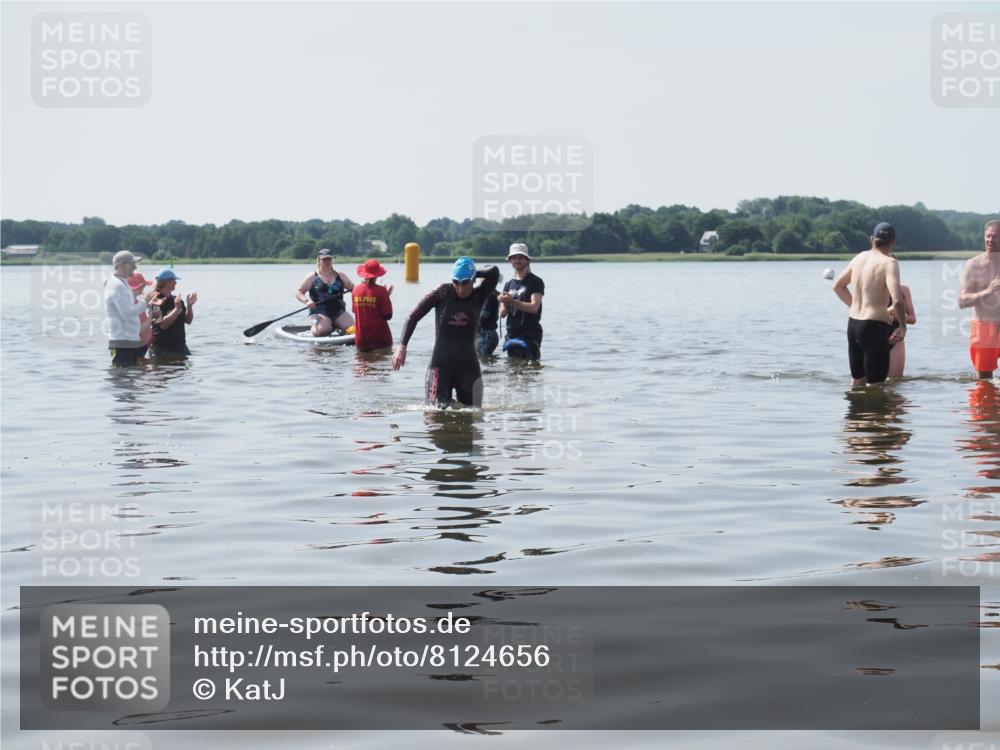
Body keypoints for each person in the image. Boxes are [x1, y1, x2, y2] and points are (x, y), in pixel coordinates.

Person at [392, 257, 500, 406]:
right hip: (440, 367)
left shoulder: (480, 295)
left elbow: (494, 271)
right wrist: (402, 346)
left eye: (465, 282)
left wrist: (475, 272)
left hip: (469, 368)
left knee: (473, 417)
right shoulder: (442, 292)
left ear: (473, 280)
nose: (460, 288)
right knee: (434, 416)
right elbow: (413, 316)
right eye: (456, 282)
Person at [832, 222, 906, 385]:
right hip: (874, 328)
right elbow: (898, 300)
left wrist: (854, 305)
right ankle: (873, 411)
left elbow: (837, 286)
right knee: (876, 387)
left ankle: (854, 410)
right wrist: (902, 326)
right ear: (893, 242)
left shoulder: (859, 257)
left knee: (857, 381)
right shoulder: (889, 263)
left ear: (872, 239)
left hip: (853, 325)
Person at [959, 220, 1000, 379]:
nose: (990, 240)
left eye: (995, 237)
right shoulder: (974, 265)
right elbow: (962, 301)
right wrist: (987, 291)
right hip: (983, 326)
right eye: (988, 236)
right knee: (984, 381)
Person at [104, 250, 150, 367]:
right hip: (122, 343)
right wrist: (145, 301)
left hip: (129, 341)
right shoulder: (116, 285)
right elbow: (127, 313)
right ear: (122, 265)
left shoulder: (122, 283)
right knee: (122, 381)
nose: (135, 267)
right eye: (132, 264)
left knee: (130, 381)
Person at [499, 242, 544, 359]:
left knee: (530, 373)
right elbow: (503, 314)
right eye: (513, 258)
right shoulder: (508, 284)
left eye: (520, 257)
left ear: (527, 260)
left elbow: (534, 308)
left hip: (530, 334)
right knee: (512, 373)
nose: (517, 260)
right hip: (512, 335)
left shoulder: (536, 281)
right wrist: (503, 301)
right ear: (510, 261)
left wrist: (512, 302)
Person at [296, 248, 355, 337]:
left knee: (355, 330)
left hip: (339, 312)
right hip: (319, 312)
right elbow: (298, 292)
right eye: (324, 259)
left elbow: (354, 289)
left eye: (329, 259)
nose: (327, 261)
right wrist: (307, 301)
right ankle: (326, 327)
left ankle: (335, 326)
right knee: (319, 332)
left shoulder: (340, 275)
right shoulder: (312, 277)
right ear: (319, 260)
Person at [150, 269, 196, 358]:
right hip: (162, 348)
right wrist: (176, 309)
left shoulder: (177, 300)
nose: (176, 283)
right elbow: (163, 325)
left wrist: (189, 306)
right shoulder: (155, 301)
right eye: (174, 280)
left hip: (180, 347)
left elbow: (188, 320)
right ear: (167, 282)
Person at [351, 258, 394, 352]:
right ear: (377, 275)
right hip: (381, 340)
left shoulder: (355, 289)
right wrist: (387, 296)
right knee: (381, 365)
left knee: (362, 366)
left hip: (361, 341)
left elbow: (355, 311)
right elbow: (388, 315)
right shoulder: (381, 291)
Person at [887, 280, 916, 379]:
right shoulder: (872, 288)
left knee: (896, 380)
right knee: (870, 379)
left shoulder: (903, 290)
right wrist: (885, 314)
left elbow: (912, 318)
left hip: (896, 336)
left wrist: (896, 317)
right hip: (875, 334)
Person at [127, 271, 155, 351]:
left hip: (143, 345)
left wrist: (148, 305)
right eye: (143, 286)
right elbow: (138, 330)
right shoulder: (130, 305)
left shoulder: (135, 301)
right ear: (138, 288)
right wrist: (151, 317)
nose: (144, 288)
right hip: (136, 347)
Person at [478, 291, 500, 358]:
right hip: (483, 333)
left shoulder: (490, 294)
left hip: (487, 334)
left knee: (482, 359)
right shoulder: (478, 292)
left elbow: (483, 316)